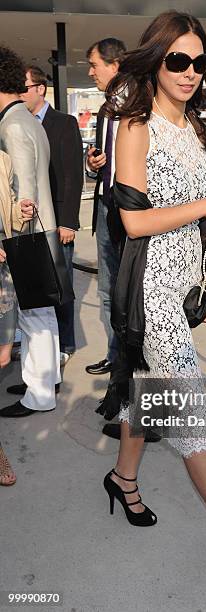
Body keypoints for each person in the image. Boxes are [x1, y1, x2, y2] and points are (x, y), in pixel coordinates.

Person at [101, 11, 206, 586]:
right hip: (150, 290)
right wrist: (203, 209)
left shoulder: (198, 131)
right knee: (192, 414)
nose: (190, 71)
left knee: (148, 394)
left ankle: (123, 479)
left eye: (199, 62)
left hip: (186, 285)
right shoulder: (135, 125)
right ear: (156, 59)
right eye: (178, 59)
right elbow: (131, 220)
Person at [0, 45, 60, 418]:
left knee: (33, 316)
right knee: (42, 314)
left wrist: (15, 236)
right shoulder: (25, 119)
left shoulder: (12, 125)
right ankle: (42, 382)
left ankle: (38, 395)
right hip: (41, 232)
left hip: (27, 235)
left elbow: (24, 191)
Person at [20, 65, 83, 366]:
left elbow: (72, 174)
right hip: (27, 222)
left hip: (57, 220)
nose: (19, 95)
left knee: (61, 284)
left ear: (40, 89)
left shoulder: (64, 123)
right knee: (34, 286)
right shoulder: (16, 123)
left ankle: (65, 344)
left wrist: (68, 220)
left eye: (23, 88)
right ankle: (39, 344)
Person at [85, 38, 127, 376]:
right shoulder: (105, 108)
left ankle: (127, 362)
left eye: (94, 65)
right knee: (106, 287)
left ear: (114, 65)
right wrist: (93, 163)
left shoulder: (142, 104)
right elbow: (102, 159)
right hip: (104, 205)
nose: (90, 72)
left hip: (129, 213)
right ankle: (115, 358)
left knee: (128, 290)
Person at [0, 149, 35, 485]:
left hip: (3, 272)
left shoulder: (3, 159)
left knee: (3, 354)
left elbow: (8, 212)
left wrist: (19, 213)